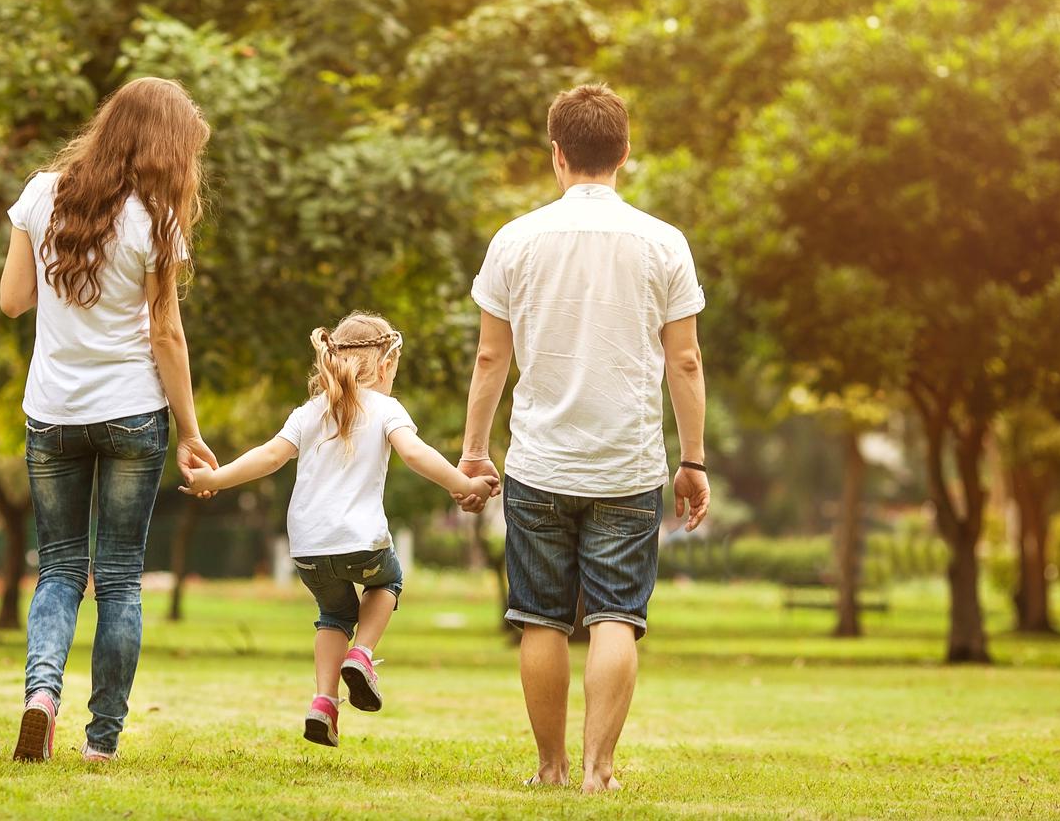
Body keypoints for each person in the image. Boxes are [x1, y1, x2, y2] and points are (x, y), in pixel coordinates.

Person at [454, 82, 711, 793]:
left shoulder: (515, 240)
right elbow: (685, 360)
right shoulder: (664, 243)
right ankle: (599, 774)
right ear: (625, 154)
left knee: (539, 618)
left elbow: (489, 358)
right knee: (615, 618)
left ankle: (550, 768)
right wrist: (693, 460)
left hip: (539, 462)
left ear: (557, 155)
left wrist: (475, 451)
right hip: (629, 466)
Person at [0, 77, 217, 763]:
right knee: (119, 576)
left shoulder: (42, 192)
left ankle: (40, 696)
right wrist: (191, 432)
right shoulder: (157, 220)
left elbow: (12, 301)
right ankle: (101, 742)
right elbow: (167, 336)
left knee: (60, 568)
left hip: (52, 412)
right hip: (131, 414)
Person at [178, 312, 497, 748]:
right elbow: (417, 454)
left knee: (333, 615)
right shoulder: (386, 408)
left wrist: (213, 480)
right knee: (390, 581)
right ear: (386, 366)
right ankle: (362, 655)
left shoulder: (310, 411)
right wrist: (464, 486)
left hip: (307, 548)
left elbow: (269, 456)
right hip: (361, 543)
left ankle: (324, 702)